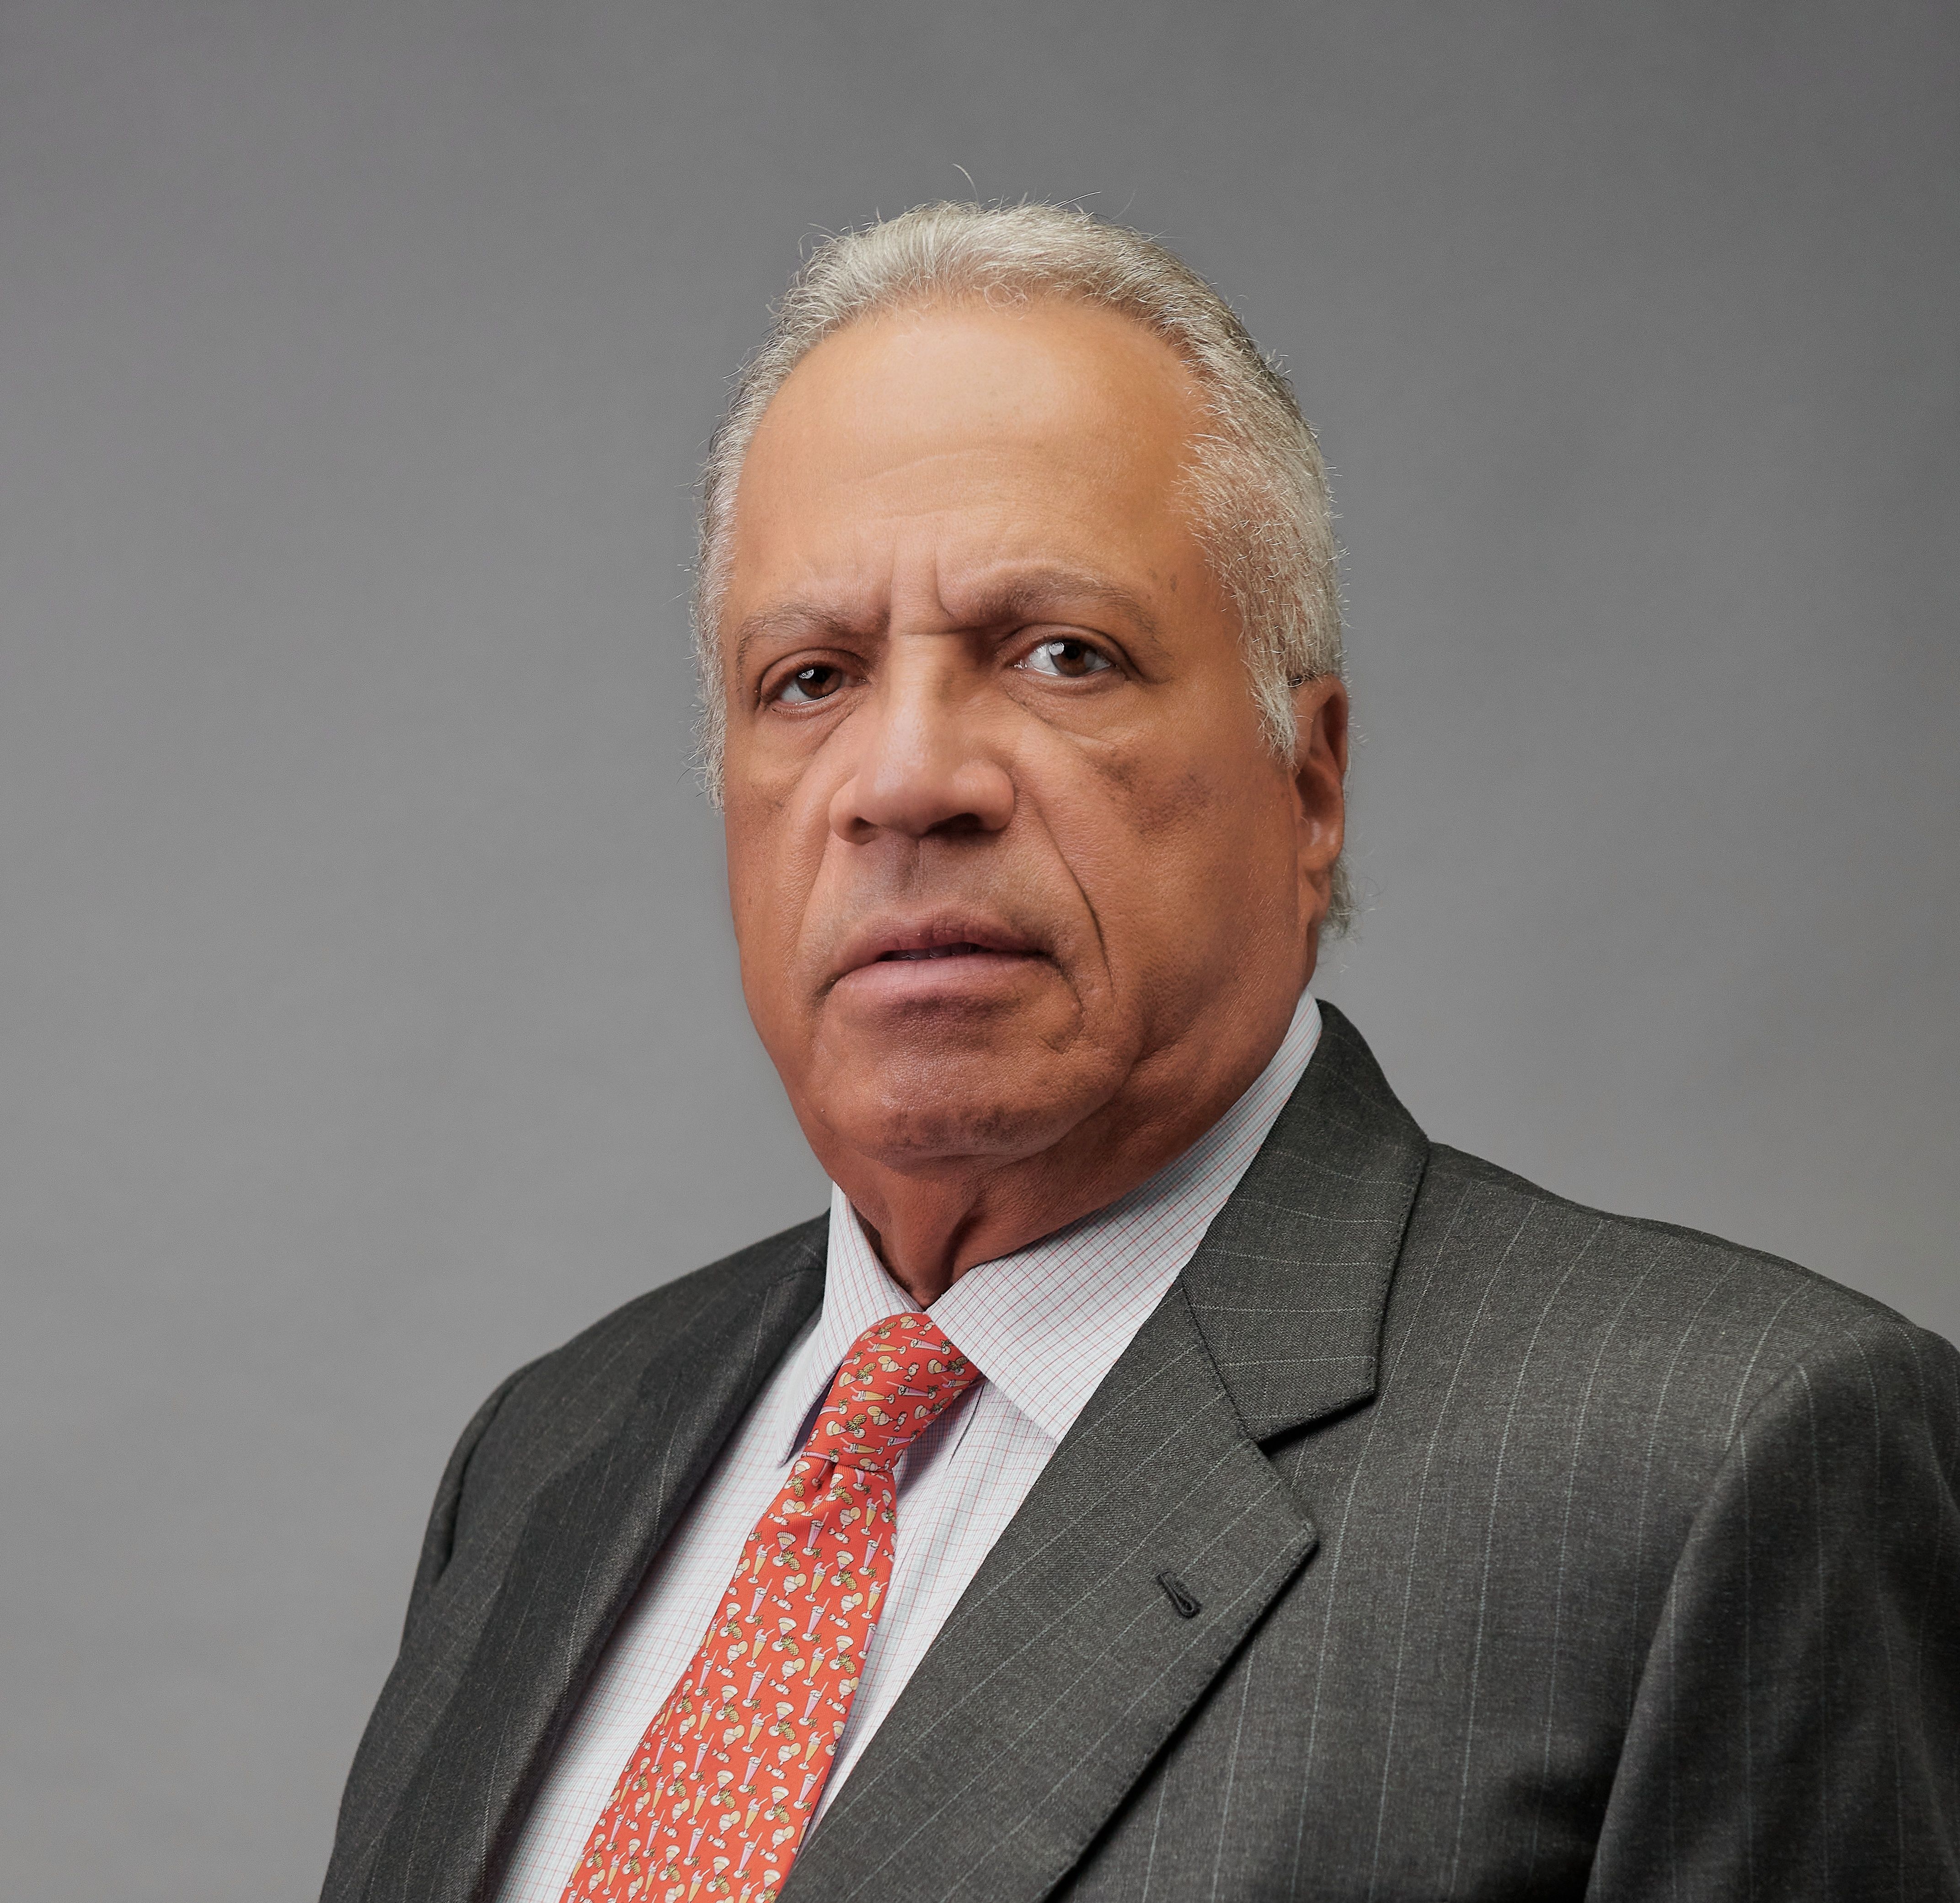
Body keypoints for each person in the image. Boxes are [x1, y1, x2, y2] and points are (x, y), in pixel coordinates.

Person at [322, 203, 1960, 1903]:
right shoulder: (546, 1457)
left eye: (1061, 654)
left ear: (1309, 784)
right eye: (808, 679)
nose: (904, 780)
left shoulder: (1716, 1464)